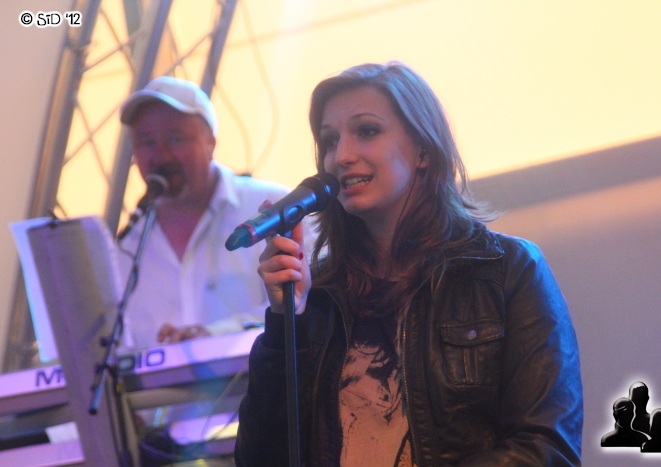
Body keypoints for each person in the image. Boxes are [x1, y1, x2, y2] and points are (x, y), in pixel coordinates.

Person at [234, 62, 583, 466]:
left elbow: (546, 449)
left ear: (423, 149)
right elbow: (259, 459)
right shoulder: (318, 296)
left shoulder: (508, 271)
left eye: (367, 131)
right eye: (329, 141)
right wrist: (285, 323)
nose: (341, 156)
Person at [117, 76, 291, 349]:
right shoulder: (125, 247)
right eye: (147, 143)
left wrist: (214, 336)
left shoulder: (274, 206)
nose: (161, 156)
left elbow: (306, 304)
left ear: (210, 141)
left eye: (176, 139)